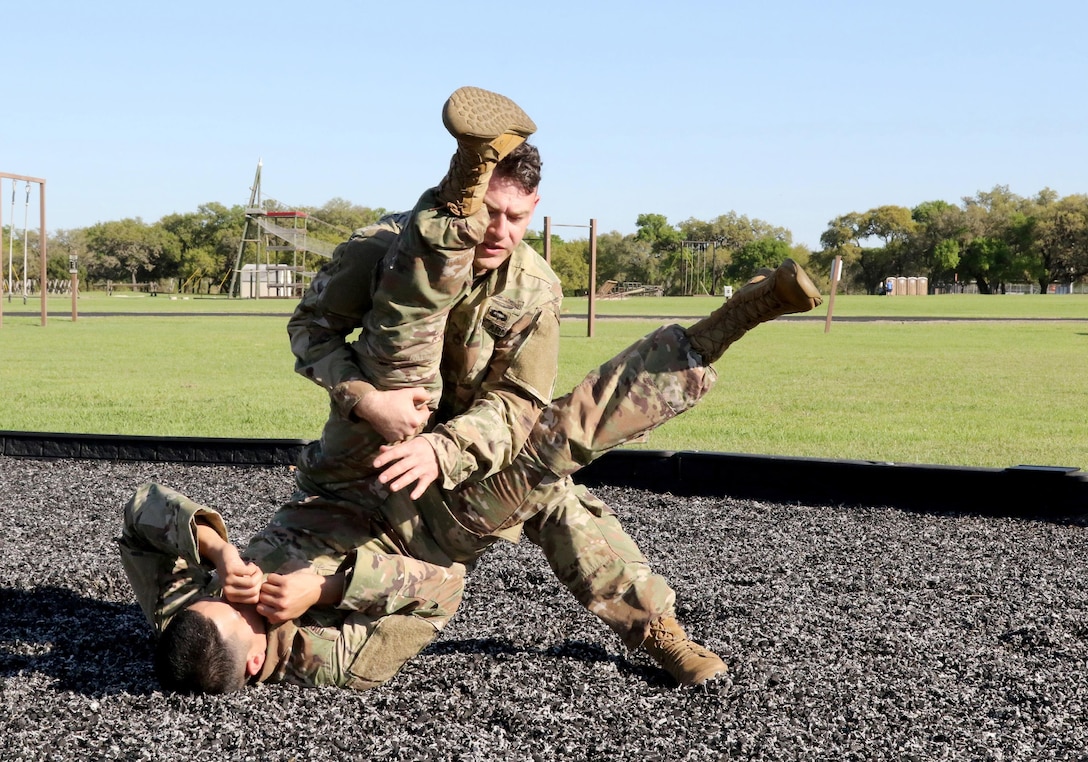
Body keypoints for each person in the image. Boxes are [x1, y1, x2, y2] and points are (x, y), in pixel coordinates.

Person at [121, 86, 824, 693]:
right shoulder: (326, 660)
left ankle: (454, 192)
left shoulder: (529, 287)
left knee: (399, 380)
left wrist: (218, 552)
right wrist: (328, 587)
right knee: (552, 465)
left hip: (354, 465)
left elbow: (141, 514)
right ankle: (724, 329)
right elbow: (442, 588)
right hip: (432, 527)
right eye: (482, 212)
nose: (499, 232)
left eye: (511, 217)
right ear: (251, 668)